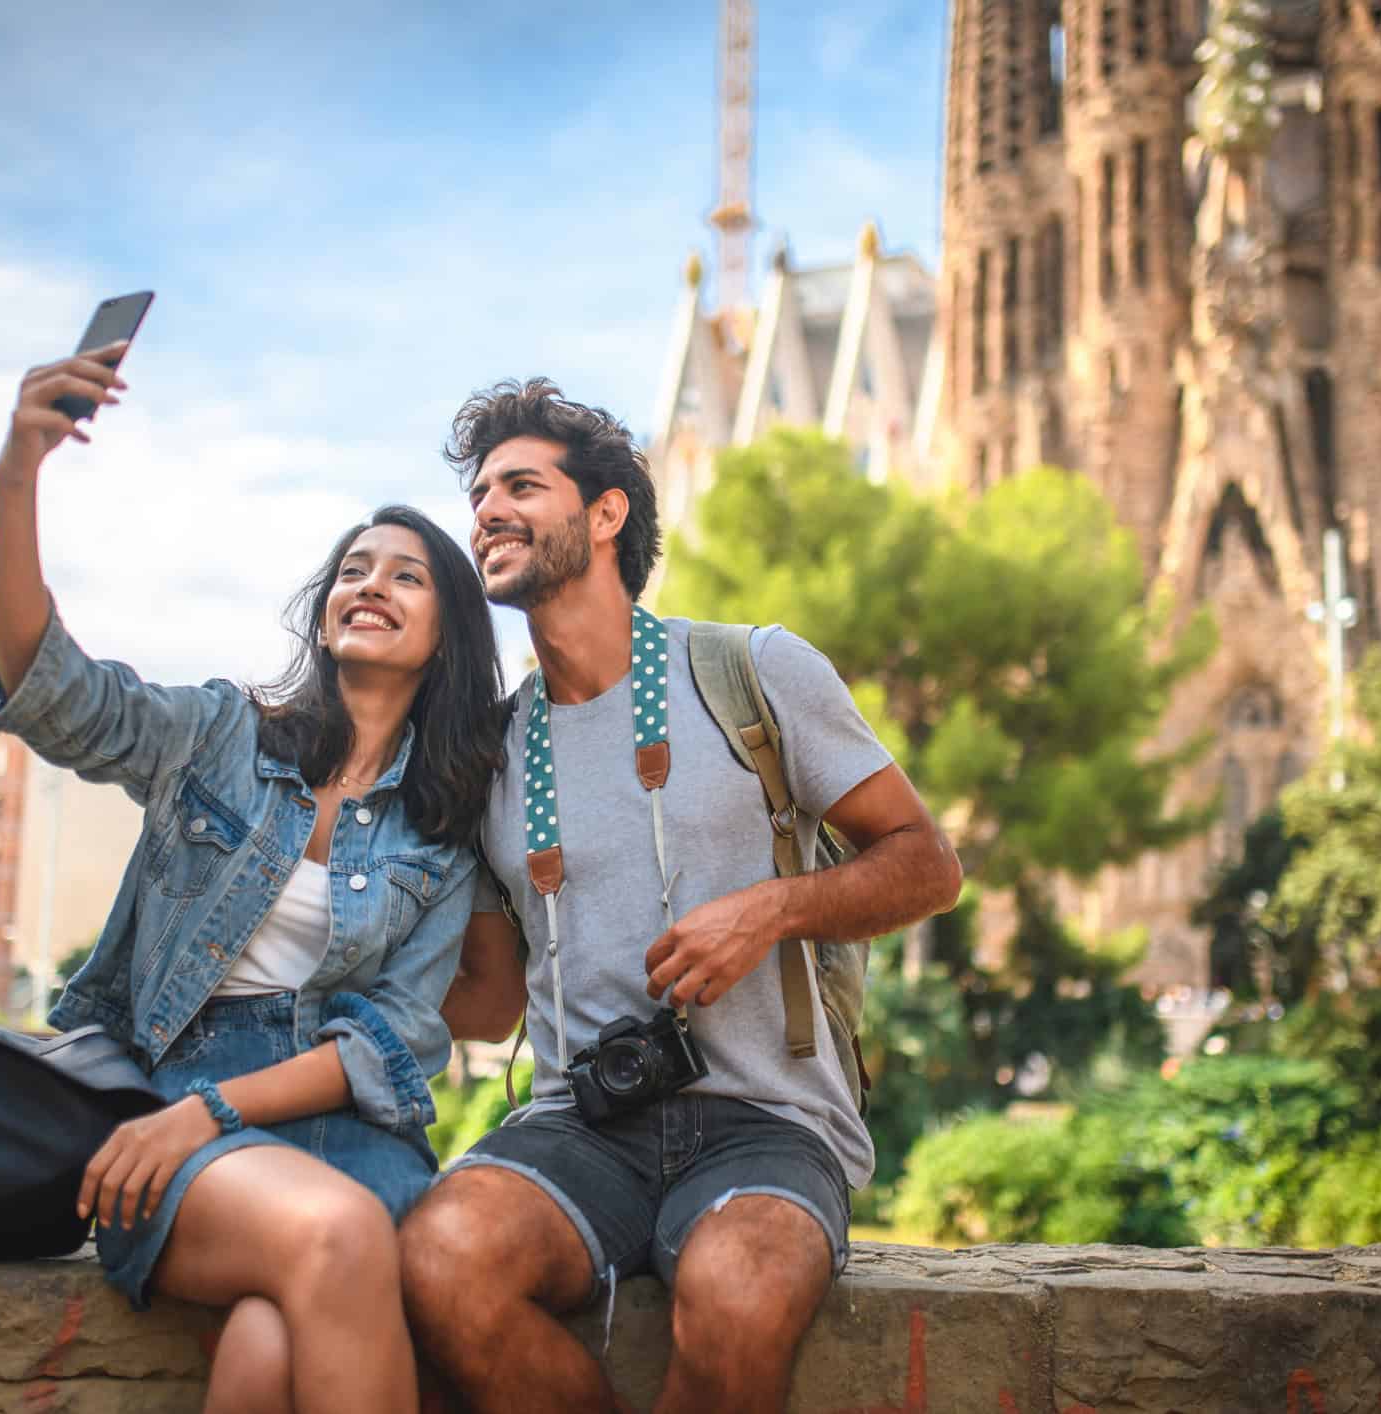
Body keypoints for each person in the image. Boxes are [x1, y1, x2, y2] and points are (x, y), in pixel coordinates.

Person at [401, 379, 964, 1413]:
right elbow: (486, 1002)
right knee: (440, 1256)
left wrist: (772, 909)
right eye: (479, 494)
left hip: (770, 1120)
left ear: (606, 513)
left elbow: (929, 863)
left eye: (521, 484)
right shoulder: (490, 751)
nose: (486, 510)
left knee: (741, 1293)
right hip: (579, 1122)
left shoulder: (749, 670)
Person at [0, 341, 505, 1414]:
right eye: (354, 568)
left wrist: (218, 1109)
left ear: (448, 631)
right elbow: (56, 692)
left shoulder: (442, 828)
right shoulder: (220, 735)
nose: (371, 584)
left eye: (406, 575)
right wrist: (16, 477)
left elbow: (391, 1042)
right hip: (164, 1107)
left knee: (266, 1349)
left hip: (341, 1126)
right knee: (340, 1236)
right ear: (324, 606)